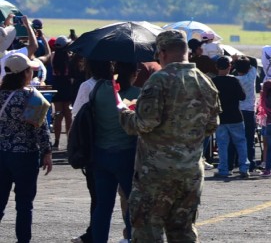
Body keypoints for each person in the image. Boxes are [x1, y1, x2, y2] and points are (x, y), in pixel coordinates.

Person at [117, 29, 220, 243]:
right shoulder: (205, 82)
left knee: (148, 232)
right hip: (190, 172)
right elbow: (211, 126)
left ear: (162, 53)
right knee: (183, 233)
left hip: (156, 173)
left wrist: (124, 113)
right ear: (186, 52)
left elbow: (145, 122)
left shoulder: (159, 80)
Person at [0, 52, 52, 243]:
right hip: (25, 156)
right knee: (24, 205)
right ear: (24, 73)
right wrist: (47, 152)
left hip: (1, 154)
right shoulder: (31, 96)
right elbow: (41, 129)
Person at [87, 61, 140, 243]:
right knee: (132, 204)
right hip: (126, 154)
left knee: (103, 205)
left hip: (100, 153)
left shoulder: (100, 88)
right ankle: (132, 238)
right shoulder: (136, 95)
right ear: (133, 74)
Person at [211, 56, 249, 179]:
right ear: (230, 67)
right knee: (240, 143)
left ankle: (223, 169)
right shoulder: (234, 81)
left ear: (216, 67)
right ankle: (244, 168)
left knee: (222, 144)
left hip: (221, 117)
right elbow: (242, 97)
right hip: (235, 116)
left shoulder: (213, 81)